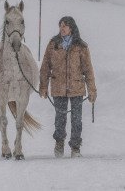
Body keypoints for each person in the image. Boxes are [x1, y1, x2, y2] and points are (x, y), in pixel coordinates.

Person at [39, 16, 97, 158]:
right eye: (60, 26)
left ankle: (75, 148)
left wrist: (92, 89)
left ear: (71, 28)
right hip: (58, 87)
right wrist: (43, 86)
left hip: (76, 88)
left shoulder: (81, 46)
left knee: (76, 120)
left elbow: (88, 69)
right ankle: (59, 143)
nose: (62, 28)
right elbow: (45, 67)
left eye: (65, 26)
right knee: (60, 118)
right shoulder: (53, 44)